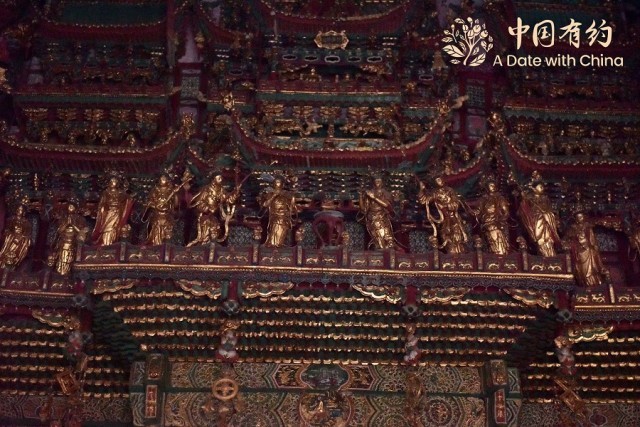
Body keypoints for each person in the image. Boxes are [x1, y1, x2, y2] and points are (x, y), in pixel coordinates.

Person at [419, 176, 468, 254]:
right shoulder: (435, 193)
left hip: (454, 217)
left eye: (441, 179)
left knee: (458, 234)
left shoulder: (450, 190)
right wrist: (422, 189)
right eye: (437, 180)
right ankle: (451, 252)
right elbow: (424, 201)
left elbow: (456, 201)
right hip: (445, 219)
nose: (440, 181)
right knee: (447, 235)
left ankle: (461, 251)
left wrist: (450, 205)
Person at [187, 174, 238, 246]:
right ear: (214, 179)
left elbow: (228, 200)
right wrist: (208, 209)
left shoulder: (221, 190)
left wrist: (235, 193)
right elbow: (199, 203)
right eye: (219, 178)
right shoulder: (206, 189)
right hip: (204, 215)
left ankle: (213, 244)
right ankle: (204, 244)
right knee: (207, 225)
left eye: (221, 178)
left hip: (214, 216)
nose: (221, 180)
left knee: (216, 226)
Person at [145, 173, 190, 245]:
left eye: (164, 179)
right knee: (156, 228)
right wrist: (156, 205)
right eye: (161, 178)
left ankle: (167, 243)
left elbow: (175, 204)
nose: (163, 180)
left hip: (167, 215)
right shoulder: (155, 190)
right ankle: (155, 243)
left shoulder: (170, 190)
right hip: (157, 215)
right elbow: (150, 202)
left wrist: (175, 194)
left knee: (169, 229)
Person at [518, 181, 560, 257]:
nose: (542, 188)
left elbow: (549, 209)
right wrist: (523, 198)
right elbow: (524, 209)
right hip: (537, 220)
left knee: (548, 239)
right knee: (540, 239)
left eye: (543, 187)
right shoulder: (530, 198)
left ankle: (550, 254)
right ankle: (542, 252)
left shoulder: (545, 198)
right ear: (534, 189)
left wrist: (549, 215)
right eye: (540, 186)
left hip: (547, 220)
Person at [565, 213, 607, 287]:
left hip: (588, 248)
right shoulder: (573, 228)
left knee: (592, 266)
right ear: (575, 219)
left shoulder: (587, 227)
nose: (580, 219)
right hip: (579, 250)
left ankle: (593, 282)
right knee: (581, 267)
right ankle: (583, 281)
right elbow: (567, 238)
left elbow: (592, 239)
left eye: (581, 217)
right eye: (578, 217)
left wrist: (593, 246)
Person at [48, 202, 88, 275]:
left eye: (72, 207)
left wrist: (73, 225)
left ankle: (68, 271)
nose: (70, 208)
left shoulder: (79, 219)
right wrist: (66, 224)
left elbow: (81, 231)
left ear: (76, 209)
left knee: (69, 256)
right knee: (61, 255)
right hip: (63, 240)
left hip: (73, 240)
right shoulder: (64, 218)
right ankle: (59, 270)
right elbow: (59, 230)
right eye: (69, 206)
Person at [92, 177, 133, 246]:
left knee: (115, 227)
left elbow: (127, 199)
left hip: (117, 212)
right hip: (108, 212)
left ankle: (112, 242)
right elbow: (102, 204)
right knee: (107, 227)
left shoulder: (121, 193)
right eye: (111, 181)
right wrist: (102, 209)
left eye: (114, 181)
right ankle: (105, 242)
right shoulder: (106, 192)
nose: (113, 182)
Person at [258, 177, 297, 248]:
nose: (277, 184)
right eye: (276, 182)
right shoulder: (270, 194)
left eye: (279, 182)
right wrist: (274, 195)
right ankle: (273, 244)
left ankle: (280, 244)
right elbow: (265, 204)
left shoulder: (287, 194)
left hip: (284, 217)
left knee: (281, 232)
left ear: (282, 184)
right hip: (274, 217)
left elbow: (292, 202)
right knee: (273, 233)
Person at [359, 176, 395, 249]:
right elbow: (364, 209)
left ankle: (387, 247)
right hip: (372, 217)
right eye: (376, 181)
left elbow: (386, 205)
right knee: (377, 236)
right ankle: (379, 247)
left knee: (386, 235)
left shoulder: (386, 193)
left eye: (379, 181)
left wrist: (374, 198)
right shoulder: (370, 193)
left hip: (382, 216)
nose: (377, 183)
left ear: (382, 183)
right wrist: (360, 196)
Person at [477, 181, 510, 255]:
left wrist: (501, 220)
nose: (493, 187)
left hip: (497, 222)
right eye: (491, 185)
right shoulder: (483, 199)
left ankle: (500, 252)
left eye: (494, 185)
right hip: (486, 222)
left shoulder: (500, 198)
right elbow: (478, 211)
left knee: (497, 237)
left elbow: (506, 212)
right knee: (489, 238)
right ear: (487, 187)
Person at [0, 204, 32, 269]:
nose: (18, 211)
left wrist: (22, 236)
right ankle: (6, 256)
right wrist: (10, 233)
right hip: (12, 236)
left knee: (25, 241)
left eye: (20, 210)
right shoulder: (12, 219)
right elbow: (7, 229)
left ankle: (16, 258)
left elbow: (27, 233)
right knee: (10, 237)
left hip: (21, 237)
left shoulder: (26, 223)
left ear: (24, 212)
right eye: (18, 209)